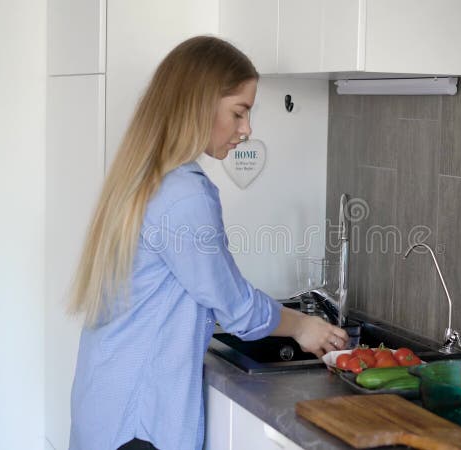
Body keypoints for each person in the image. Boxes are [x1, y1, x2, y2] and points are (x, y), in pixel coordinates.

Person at [66, 36, 348, 450]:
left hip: (106, 408)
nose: (246, 129)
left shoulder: (144, 174)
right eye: (239, 112)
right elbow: (236, 308)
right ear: (199, 104)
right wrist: (303, 325)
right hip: (139, 423)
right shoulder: (185, 195)